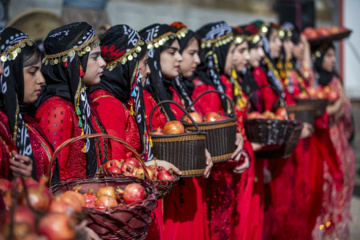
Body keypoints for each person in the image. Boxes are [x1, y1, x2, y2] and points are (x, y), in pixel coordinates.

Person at [139, 23, 212, 240]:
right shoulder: (142, 99)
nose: (179, 58)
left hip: (188, 189)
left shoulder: (172, 92)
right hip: (165, 199)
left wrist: (200, 150)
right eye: (172, 52)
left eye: (180, 52)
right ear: (152, 55)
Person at [35, 22, 108, 179]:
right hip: (74, 201)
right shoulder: (57, 109)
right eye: (95, 57)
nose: (103, 63)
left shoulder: (82, 100)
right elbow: (53, 174)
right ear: (75, 63)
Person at [0, 27, 59, 181]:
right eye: (33, 72)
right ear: (11, 73)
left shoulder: (28, 121)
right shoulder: (2, 126)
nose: (41, 80)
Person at [311, 42, 354, 240]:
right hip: (319, 141)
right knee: (322, 183)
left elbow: (346, 112)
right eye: (328, 55)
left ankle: (333, 228)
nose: (333, 60)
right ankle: (319, 227)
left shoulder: (336, 81)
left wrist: (338, 108)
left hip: (337, 141)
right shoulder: (312, 82)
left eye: (333, 55)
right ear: (319, 58)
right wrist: (331, 109)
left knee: (338, 181)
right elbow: (313, 112)